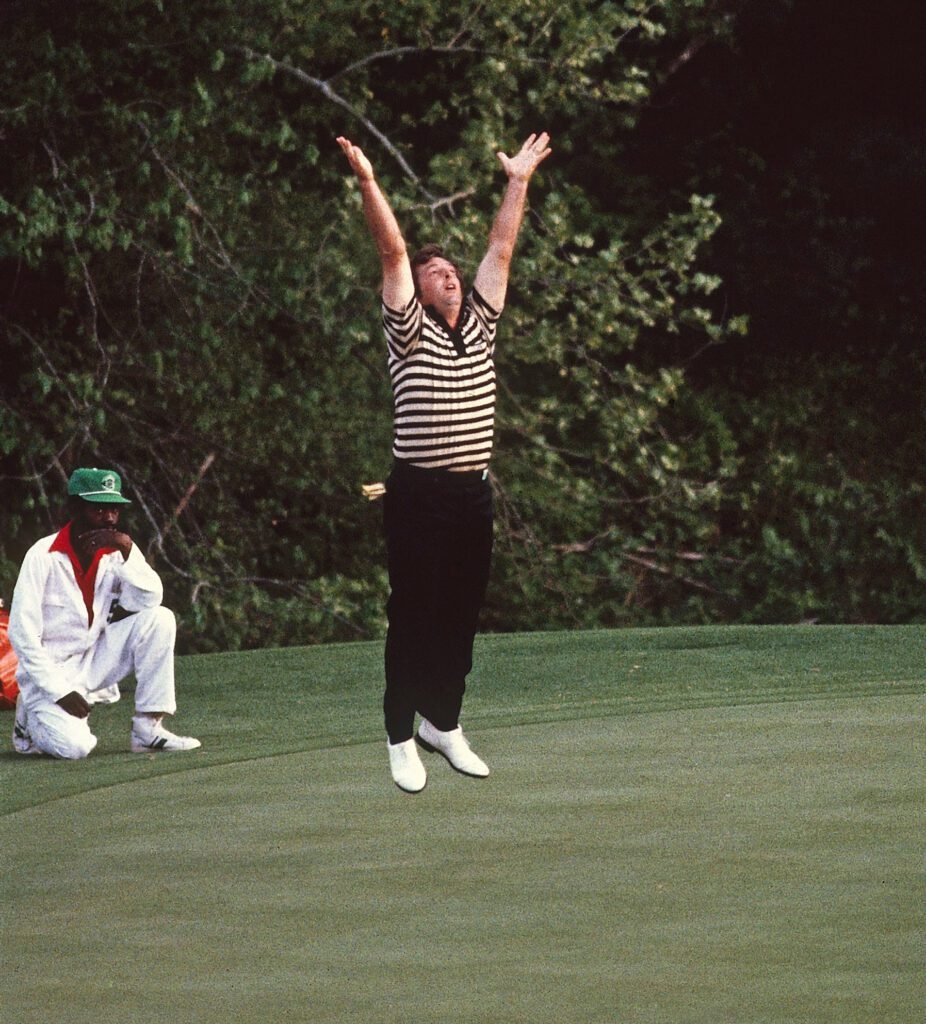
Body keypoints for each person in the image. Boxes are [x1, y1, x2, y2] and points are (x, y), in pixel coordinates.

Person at [337, 130, 551, 792]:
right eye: (435, 274)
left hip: (470, 497)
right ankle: (400, 735)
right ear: (421, 292)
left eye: (451, 269)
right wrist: (370, 183)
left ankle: (443, 722)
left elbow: (501, 249)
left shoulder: (482, 323)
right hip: (418, 495)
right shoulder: (408, 329)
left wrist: (517, 182)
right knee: (415, 614)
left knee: (460, 615)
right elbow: (392, 251)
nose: (448, 274)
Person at [9, 467, 200, 759]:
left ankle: (147, 728)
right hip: (50, 670)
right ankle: (28, 722)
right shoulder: (41, 555)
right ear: (75, 509)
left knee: (160, 619)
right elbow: (21, 635)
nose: (109, 518)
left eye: (114, 510)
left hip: (93, 657)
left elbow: (149, 599)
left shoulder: (116, 551)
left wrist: (128, 551)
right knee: (76, 748)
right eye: (99, 510)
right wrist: (59, 691)